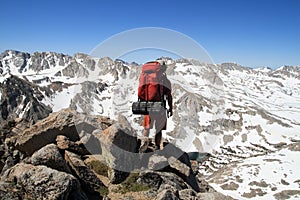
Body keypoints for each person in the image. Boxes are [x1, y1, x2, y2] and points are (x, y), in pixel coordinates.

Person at [140, 60, 173, 152]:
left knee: (147, 127)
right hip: (160, 107)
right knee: (159, 129)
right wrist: (170, 108)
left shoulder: (147, 77)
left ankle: (143, 144)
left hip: (148, 105)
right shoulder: (165, 81)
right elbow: (169, 96)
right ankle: (157, 147)